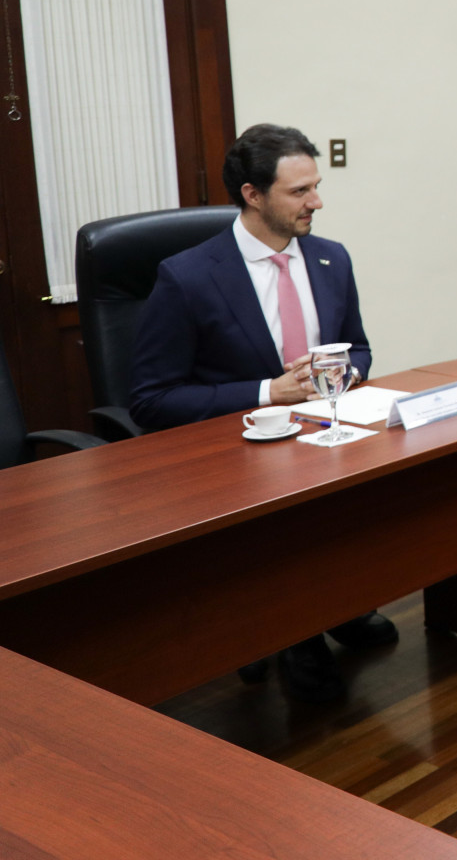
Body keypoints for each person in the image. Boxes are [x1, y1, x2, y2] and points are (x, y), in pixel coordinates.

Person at [129, 124, 388, 705]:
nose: (316, 202)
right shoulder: (188, 277)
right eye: (300, 191)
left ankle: (342, 605)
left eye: (316, 187)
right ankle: (296, 635)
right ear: (252, 194)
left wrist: (338, 372)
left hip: (326, 438)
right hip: (236, 457)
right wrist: (271, 391)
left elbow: (359, 349)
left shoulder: (330, 258)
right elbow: (150, 399)